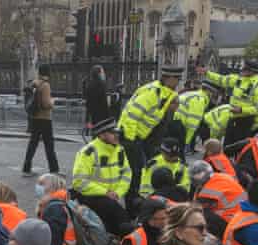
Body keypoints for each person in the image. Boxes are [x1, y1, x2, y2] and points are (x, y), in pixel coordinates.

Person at [118, 66, 183, 198]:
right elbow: (132, 115)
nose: (178, 82)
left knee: (140, 170)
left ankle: (136, 199)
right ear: (167, 78)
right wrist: (131, 140)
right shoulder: (153, 93)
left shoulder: (165, 94)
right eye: (176, 78)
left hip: (140, 137)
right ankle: (132, 203)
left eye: (179, 78)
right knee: (135, 172)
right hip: (130, 136)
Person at [71, 117, 136, 236]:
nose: (116, 135)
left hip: (113, 197)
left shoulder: (120, 150)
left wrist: (118, 192)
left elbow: (127, 174)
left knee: (120, 218)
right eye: (112, 133)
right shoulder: (88, 152)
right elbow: (79, 182)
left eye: (117, 132)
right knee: (120, 217)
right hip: (92, 196)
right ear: (101, 135)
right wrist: (105, 192)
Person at [202, 60, 258, 147]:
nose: (242, 71)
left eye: (245, 69)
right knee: (227, 147)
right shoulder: (238, 80)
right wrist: (207, 73)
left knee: (238, 148)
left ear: (252, 72)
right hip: (232, 118)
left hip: (245, 122)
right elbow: (222, 79)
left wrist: (241, 110)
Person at [22, 64, 60, 178]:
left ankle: (26, 168)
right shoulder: (46, 85)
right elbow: (46, 104)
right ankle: (54, 169)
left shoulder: (35, 83)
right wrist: (53, 102)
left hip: (35, 118)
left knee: (32, 144)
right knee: (49, 145)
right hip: (45, 118)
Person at [35, 173, 75, 245]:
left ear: (51, 188)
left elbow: (54, 239)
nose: (37, 187)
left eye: (41, 184)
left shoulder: (54, 208)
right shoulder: (55, 203)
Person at [191, 160, 247, 226]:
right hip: (244, 214)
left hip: (231, 220)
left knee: (199, 215)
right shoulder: (222, 176)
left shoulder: (207, 192)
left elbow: (195, 208)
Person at [174, 78, 221, 149]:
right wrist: (186, 142)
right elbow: (192, 124)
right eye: (214, 93)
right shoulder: (200, 100)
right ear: (208, 91)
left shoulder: (194, 94)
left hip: (175, 122)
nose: (214, 95)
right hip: (179, 125)